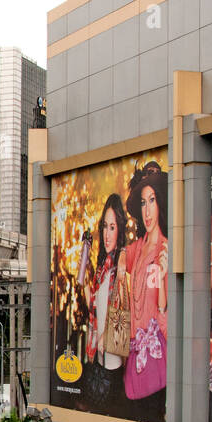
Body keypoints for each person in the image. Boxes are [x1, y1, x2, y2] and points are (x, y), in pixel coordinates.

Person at [119, 162, 169, 402]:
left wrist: (164, 277)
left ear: (161, 203)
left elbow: (165, 311)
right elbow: (120, 255)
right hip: (134, 354)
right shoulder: (138, 248)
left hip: (158, 356)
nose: (147, 211)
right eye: (143, 203)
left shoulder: (165, 248)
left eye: (152, 201)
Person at [82, 194, 128, 404]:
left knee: (110, 403)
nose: (107, 234)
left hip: (113, 354)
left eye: (112, 227)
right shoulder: (102, 268)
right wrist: (85, 272)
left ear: (120, 230)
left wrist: (106, 336)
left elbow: (121, 311)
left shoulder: (120, 265)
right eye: (104, 227)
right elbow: (92, 306)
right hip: (100, 352)